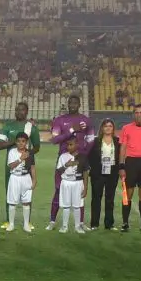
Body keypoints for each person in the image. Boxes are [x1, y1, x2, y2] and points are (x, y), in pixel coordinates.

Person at [46, 95, 95, 231]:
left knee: (80, 190)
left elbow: (91, 139)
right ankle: (52, 221)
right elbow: (55, 140)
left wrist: (83, 154)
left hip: (80, 160)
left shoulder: (86, 120)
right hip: (63, 158)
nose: (72, 105)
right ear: (67, 104)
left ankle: (80, 222)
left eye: (75, 102)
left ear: (79, 104)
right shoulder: (59, 120)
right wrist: (72, 130)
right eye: (70, 102)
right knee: (58, 189)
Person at [0, 102, 40, 229]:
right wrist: (14, 142)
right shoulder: (8, 126)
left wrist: (28, 155)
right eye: (17, 110)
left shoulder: (31, 128)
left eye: (22, 110)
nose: (19, 112)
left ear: (27, 111)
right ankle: (8, 221)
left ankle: (27, 221)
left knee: (28, 193)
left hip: (27, 166)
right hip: (11, 164)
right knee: (9, 191)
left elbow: (37, 147)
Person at [118, 104, 141, 232]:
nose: (139, 115)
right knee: (128, 194)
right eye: (136, 112)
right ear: (133, 114)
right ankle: (125, 223)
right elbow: (122, 148)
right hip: (131, 162)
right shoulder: (126, 128)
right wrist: (121, 166)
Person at [88, 119, 120, 230]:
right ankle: (94, 224)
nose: (108, 128)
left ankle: (109, 224)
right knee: (96, 198)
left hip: (112, 173)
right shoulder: (95, 141)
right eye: (106, 126)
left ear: (113, 128)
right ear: (102, 128)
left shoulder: (117, 141)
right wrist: (92, 168)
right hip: (98, 173)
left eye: (110, 126)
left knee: (110, 199)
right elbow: (89, 156)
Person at [57, 135, 89, 234]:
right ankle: (64, 226)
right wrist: (66, 165)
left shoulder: (83, 157)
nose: (68, 147)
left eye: (71, 144)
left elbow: (85, 173)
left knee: (77, 205)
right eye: (67, 145)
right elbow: (59, 171)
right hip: (66, 182)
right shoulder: (63, 156)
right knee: (66, 205)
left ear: (77, 144)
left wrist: (85, 188)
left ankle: (77, 226)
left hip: (78, 183)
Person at [6, 132, 36, 233]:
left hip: (26, 178)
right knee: (12, 202)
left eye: (23, 141)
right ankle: (11, 224)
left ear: (26, 142)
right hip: (15, 178)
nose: (21, 143)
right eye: (18, 141)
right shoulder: (12, 152)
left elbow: (32, 167)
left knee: (26, 202)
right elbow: (11, 166)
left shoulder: (30, 153)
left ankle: (26, 224)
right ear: (16, 142)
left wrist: (34, 180)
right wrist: (21, 159)